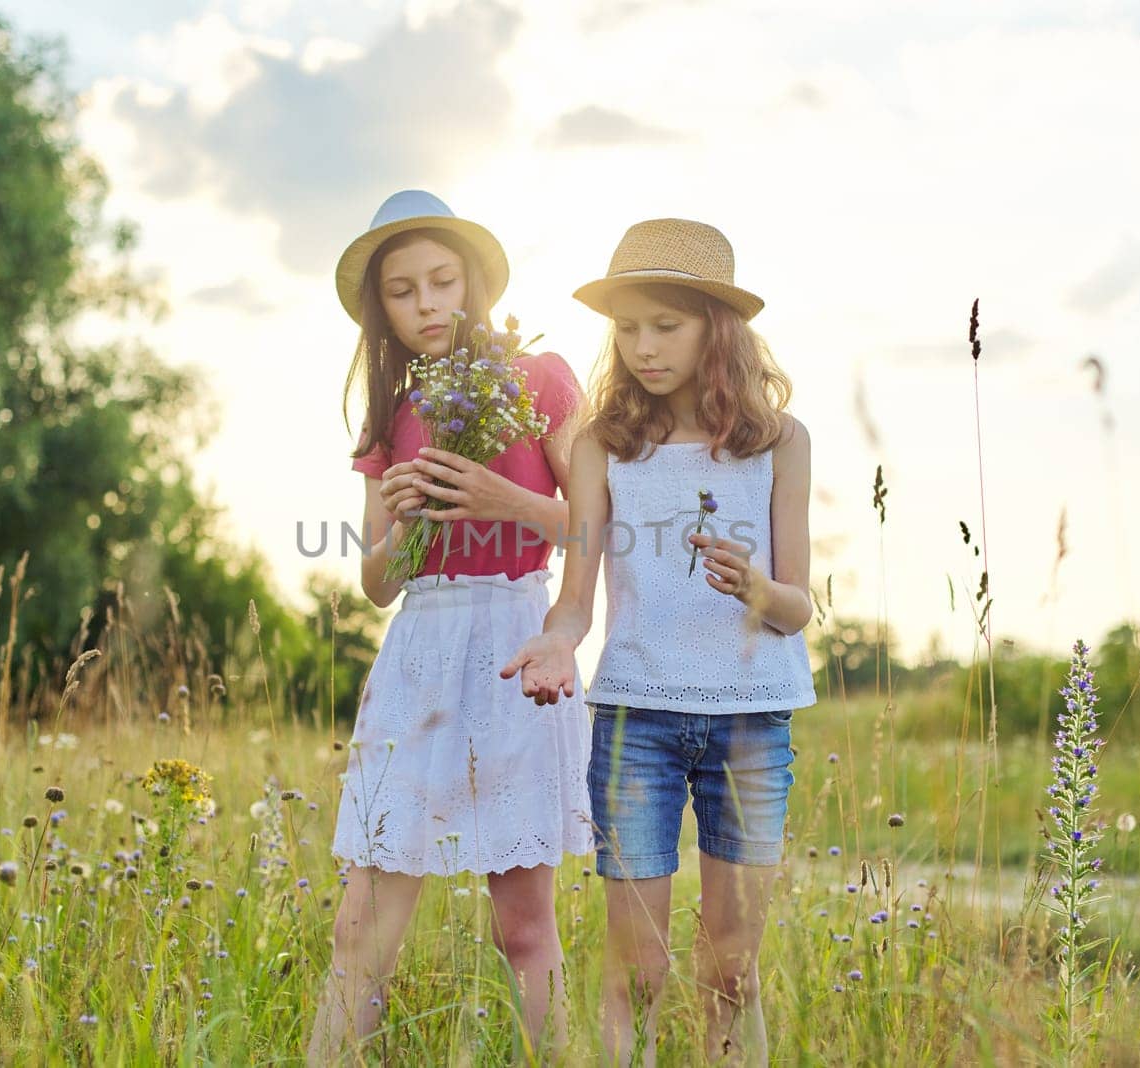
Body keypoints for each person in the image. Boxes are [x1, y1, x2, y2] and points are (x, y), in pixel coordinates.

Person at [501, 218, 816, 1066]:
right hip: (635, 719)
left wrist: (756, 588)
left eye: (664, 326)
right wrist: (556, 643)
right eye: (627, 327)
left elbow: (798, 609)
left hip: (751, 722)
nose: (642, 346)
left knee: (734, 968)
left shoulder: (781, 444)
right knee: (638, 967)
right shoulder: (605, 445)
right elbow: (575, 603)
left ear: (717, 326)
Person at [308, 190, 593, 1064]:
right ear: (380, 309)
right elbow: (376, 584)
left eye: (442, 281)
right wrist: (402, 521)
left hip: (514, 644)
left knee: (523, 927)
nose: (427, 303)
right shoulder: (391, 414)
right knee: (360, 927)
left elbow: (605, 520)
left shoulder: (538, 376)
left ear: (473, 284)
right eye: (404, 290)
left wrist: (507, 500)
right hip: (421, 656)